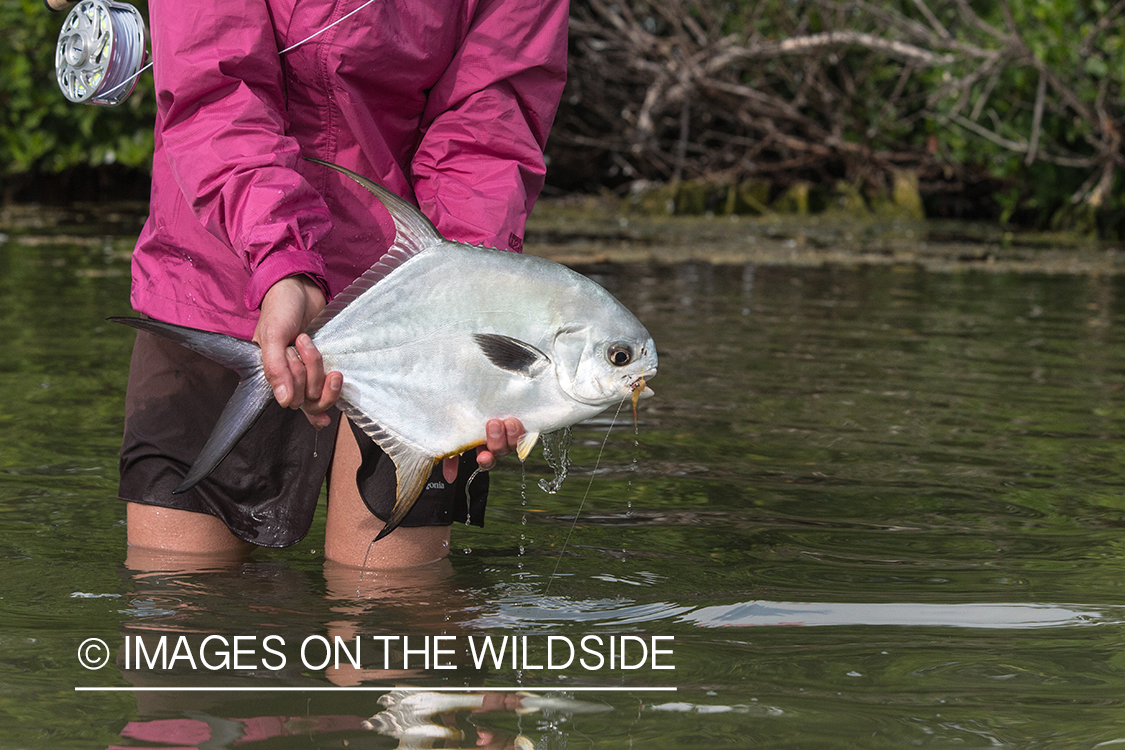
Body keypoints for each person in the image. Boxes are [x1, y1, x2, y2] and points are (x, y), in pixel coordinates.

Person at [78, 0, 569, 567]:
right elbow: (216, 91)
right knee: (183, 613)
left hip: (416, 318)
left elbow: (487, 129)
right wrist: (282, 265)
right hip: (219, 277)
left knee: (390, 626)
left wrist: (472, 324)